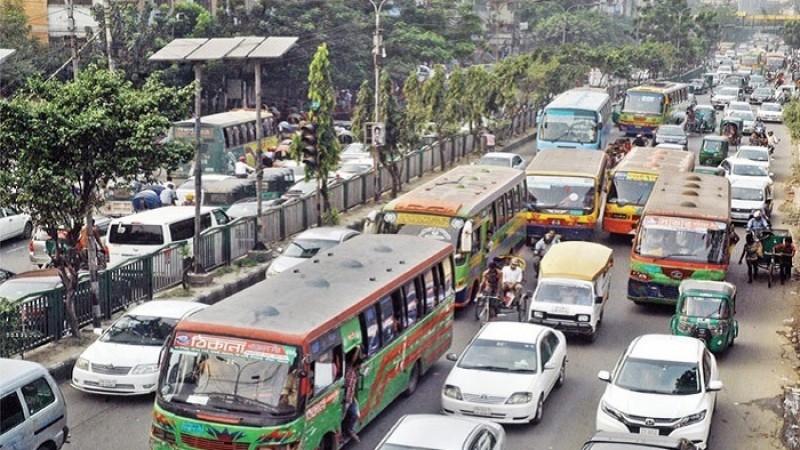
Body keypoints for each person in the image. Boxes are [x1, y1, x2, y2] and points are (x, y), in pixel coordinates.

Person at [342, 349, 362, 443]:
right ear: (357, 365)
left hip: (351, 398)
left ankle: (349, 430)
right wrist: (348, 404)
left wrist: (358, 349)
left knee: (356, 415)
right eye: (359, 365)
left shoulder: (351, 369)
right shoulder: (351, 374)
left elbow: (353, 360)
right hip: (348, 400)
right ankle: (348, 431)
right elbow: (349, 390)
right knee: (347, 416)